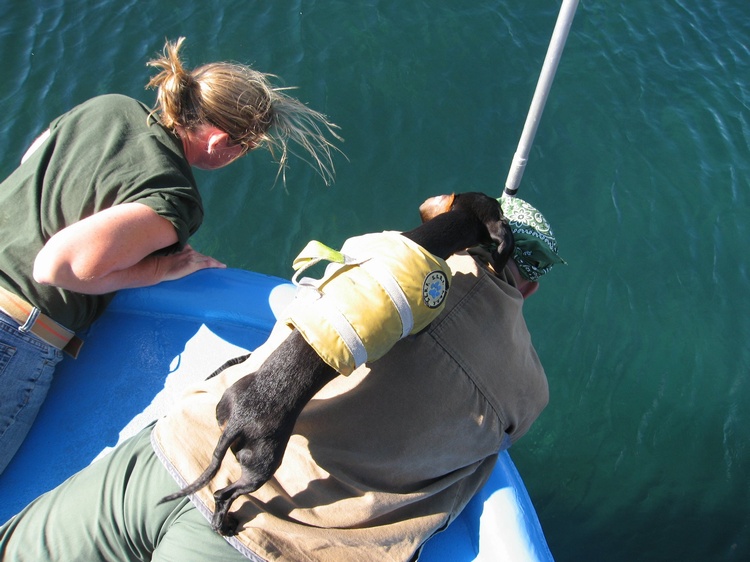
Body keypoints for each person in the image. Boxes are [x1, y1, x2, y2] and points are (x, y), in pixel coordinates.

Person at [0, 195, 565, 562]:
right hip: (276, 542)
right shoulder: (529, 391)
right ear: (532, 288)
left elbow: (380, 274)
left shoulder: (382, 259)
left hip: (182, 452)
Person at [0, 36, 341, 475]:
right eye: (246, 146)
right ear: (220, 142)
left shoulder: (109, 106)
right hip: (15, 328)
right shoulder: (174, 196)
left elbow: (36, 156)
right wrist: (164, 265)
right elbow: (55, 267)